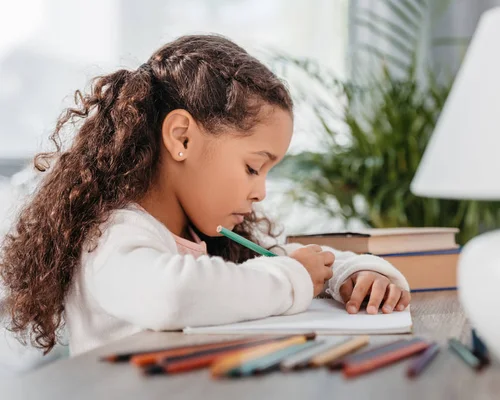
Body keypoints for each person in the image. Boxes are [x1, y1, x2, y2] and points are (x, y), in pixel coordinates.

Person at [0, 35, 410, 357]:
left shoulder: (206, 237)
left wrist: (351, 275)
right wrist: (293, 276)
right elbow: (175, 294)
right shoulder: (112, 237)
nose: (260, 192)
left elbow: (285, 255)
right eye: (253, 167)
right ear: (182, 138)